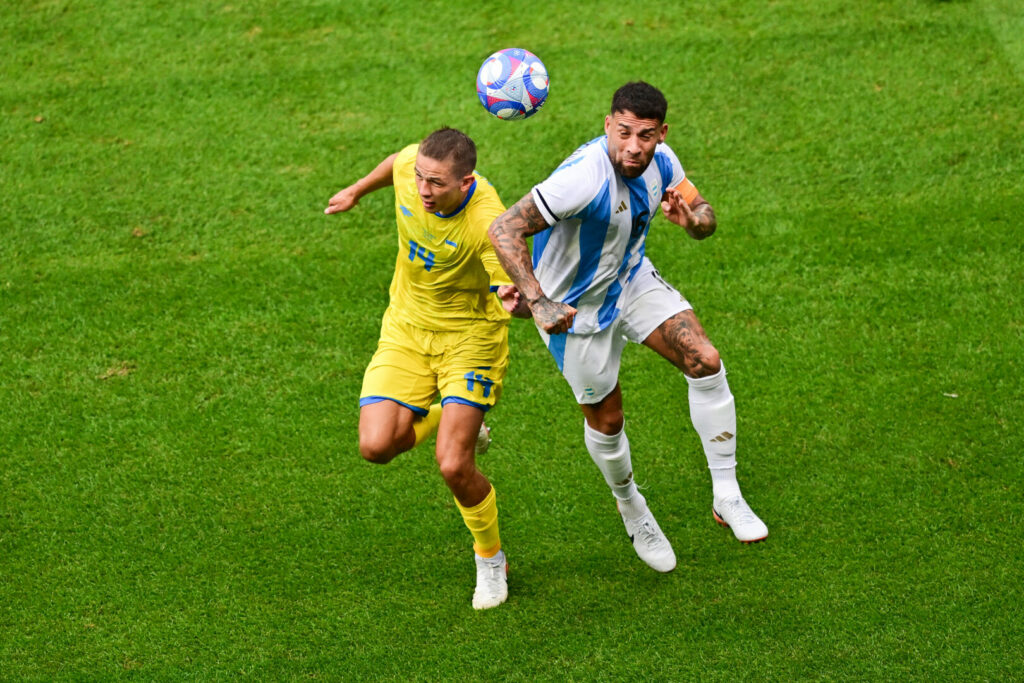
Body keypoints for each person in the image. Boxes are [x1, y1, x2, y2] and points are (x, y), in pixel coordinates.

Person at [488, 82, 767, 573]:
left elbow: (704, 214)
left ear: (661, 132)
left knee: (705, 359)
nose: (633, 146)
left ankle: (727, 493)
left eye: (645, 135)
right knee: (608, 420)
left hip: (631, 279)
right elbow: (504, 228)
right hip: (573, 308)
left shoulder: (661, 160)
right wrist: (537, 300)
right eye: (623, 133)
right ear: (607, 127)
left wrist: (691, 222)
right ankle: (631, 505)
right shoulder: (581, 179)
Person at [325, 127, 526, 608]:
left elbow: (513, 291)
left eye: (436, 183)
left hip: (470, 340)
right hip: (407, 328)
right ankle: (448, 420)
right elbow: (397, 158)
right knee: (375, 446)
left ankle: (490, 559)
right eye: (420, 179)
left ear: (466, 181)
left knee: (454, 464)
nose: (422, 190)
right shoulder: (414, 167)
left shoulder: (490, 223)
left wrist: (516, 298)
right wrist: (356, 190)